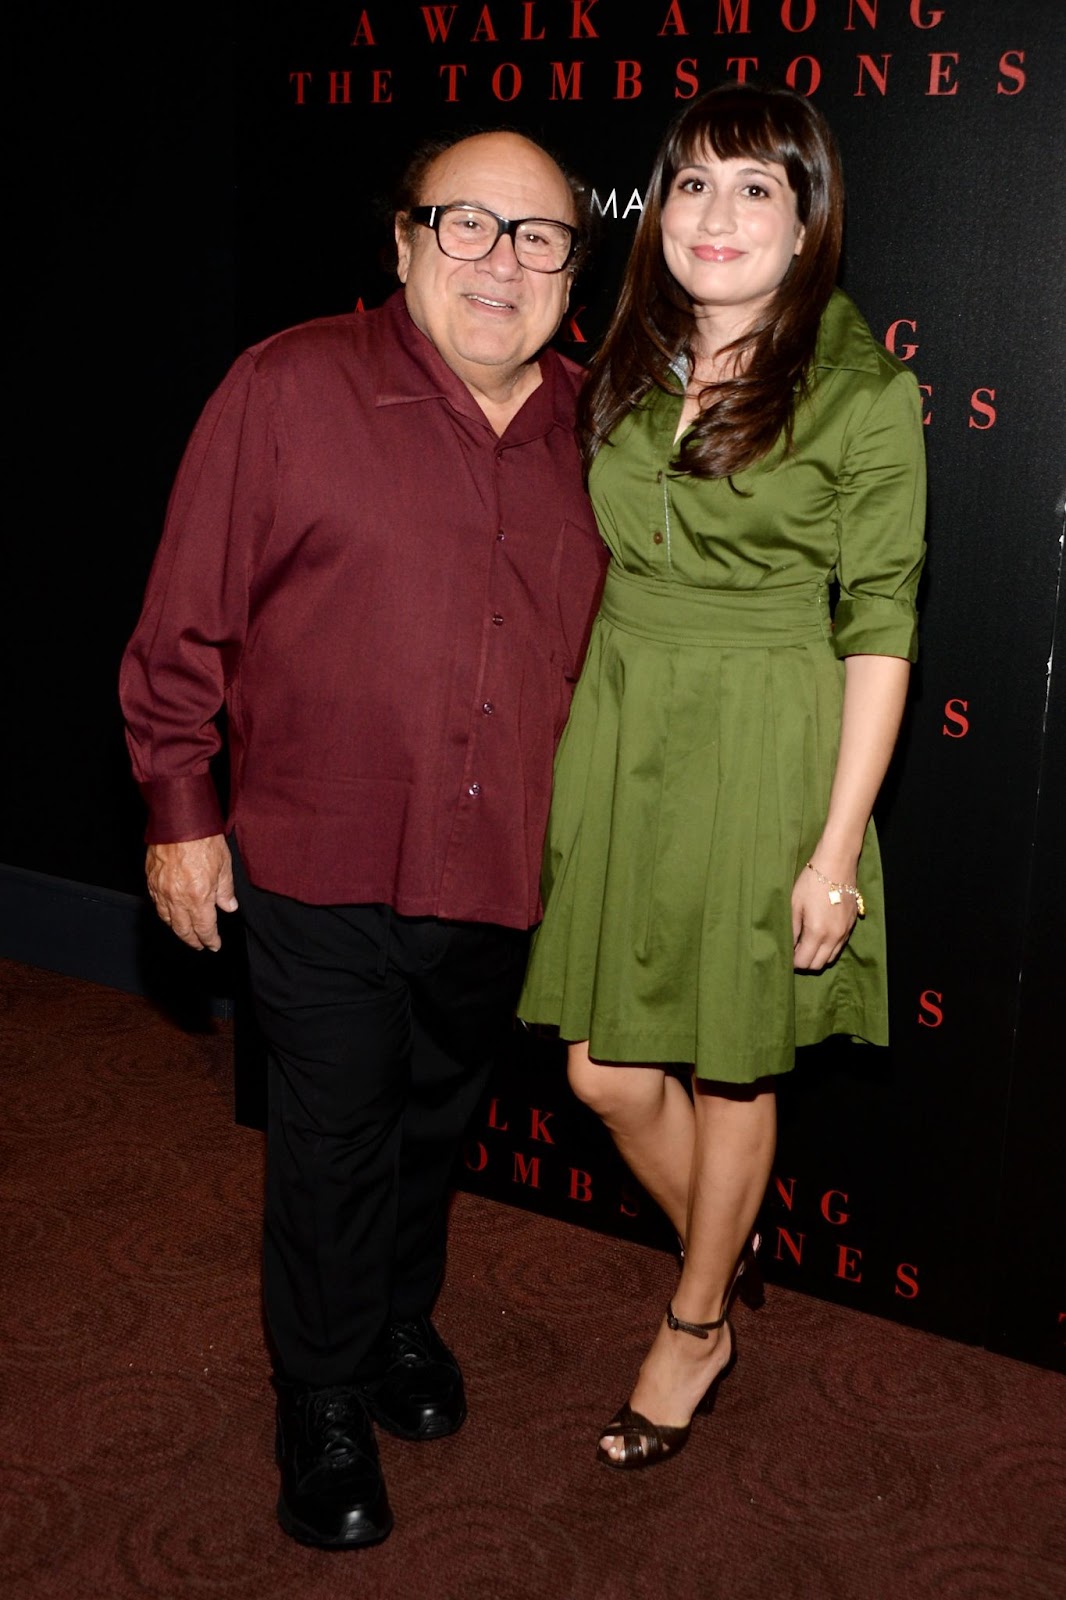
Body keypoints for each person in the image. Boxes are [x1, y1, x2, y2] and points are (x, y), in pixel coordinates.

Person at [120, 129, 608, 1545]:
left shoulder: (601, 431)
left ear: (572, 274)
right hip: (316, 858)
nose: (499, 262)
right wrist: (178, 815)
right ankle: (320, 1398)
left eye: (536, 238)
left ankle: (399, 1318)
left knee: (433, 1120)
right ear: (401, 243)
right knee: (330, 1136)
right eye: (465, 225)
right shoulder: (286, 387)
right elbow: (182, 623)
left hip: (501, 869)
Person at [519, 82, 926, 1470]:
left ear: (807, 219)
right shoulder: (623, 358)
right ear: (658, 209)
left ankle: (693, 1322)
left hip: (766, 742)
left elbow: (878, 626)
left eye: (757, 187)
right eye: (692, 183)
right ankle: (725, 1248)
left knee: (734, 1065)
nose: (716, 214)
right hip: (627, 731)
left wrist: (832, 850)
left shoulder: (862, 393)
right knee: (602, 1074)